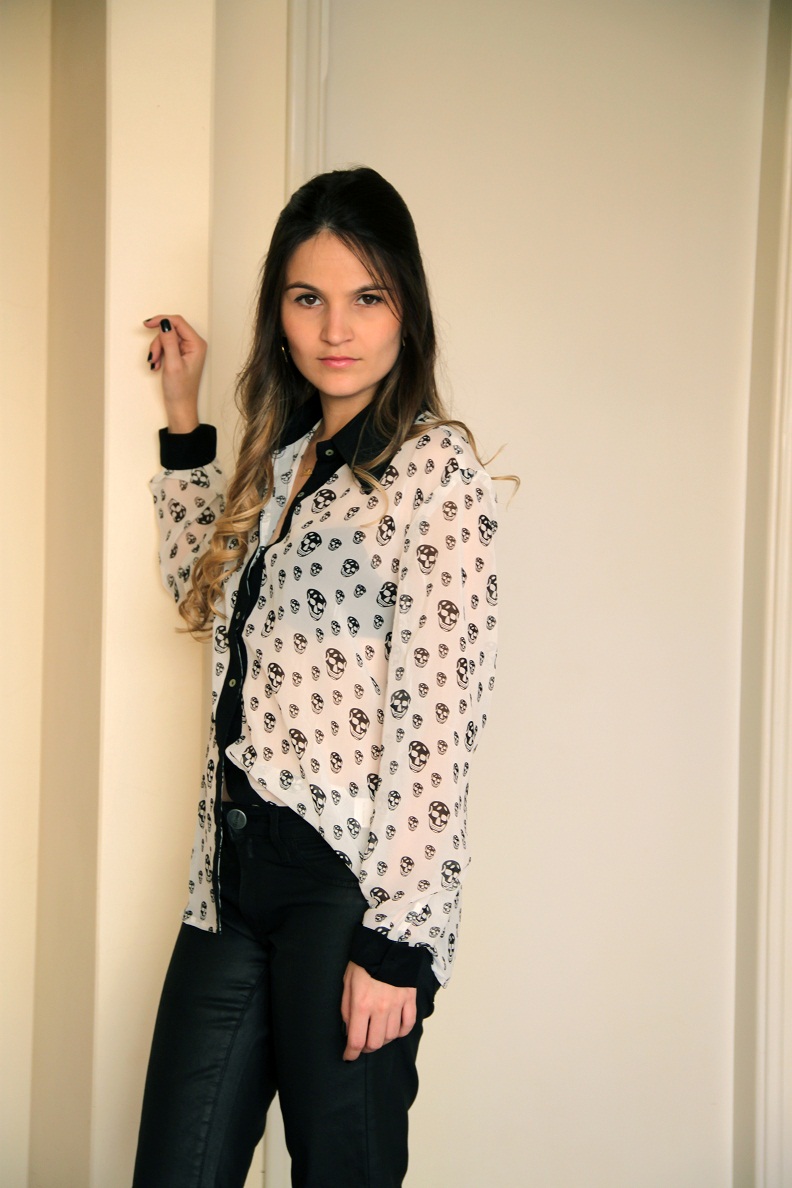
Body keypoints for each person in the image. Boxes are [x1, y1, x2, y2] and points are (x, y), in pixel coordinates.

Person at [133, 167, 500, 1188]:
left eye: (366, 297)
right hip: (228, 881)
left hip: (345, 899)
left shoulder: (436, 477)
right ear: (279, 314)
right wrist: (183, 418)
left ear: (405, 310)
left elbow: (439, 725)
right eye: (308, 298)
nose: (336, 329)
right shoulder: (283, 460)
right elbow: (200, 585)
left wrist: (398, 947)